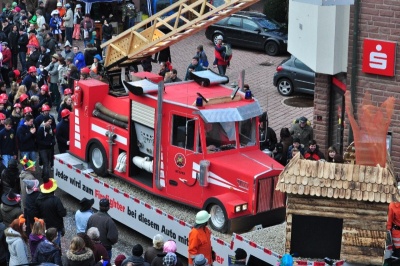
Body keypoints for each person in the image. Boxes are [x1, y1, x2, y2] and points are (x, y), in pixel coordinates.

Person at [33, 178, 67, 248]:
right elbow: (62, 213)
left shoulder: (38, 200)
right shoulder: (56, 200)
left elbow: (36, 214)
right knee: (56, 244)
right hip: (56, 227)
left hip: (45, 226)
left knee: (47, 242)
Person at [36, 116, 56, 180]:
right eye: (48, 121)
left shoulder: (50, 128)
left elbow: (52, 137)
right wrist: (48, 143)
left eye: (51, 121)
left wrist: (53, 142)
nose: (50, 123)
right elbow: (39, 140)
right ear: (45, 121)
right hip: (42, 149)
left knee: (47, 162)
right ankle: (46, 177)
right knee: (46, 162)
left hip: (49, 148)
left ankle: (43, 174)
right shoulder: (41, 129)